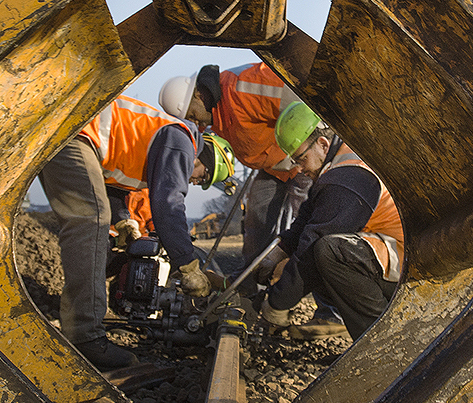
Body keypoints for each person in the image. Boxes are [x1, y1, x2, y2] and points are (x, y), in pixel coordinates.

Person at [39, 95, 235, 370]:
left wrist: (122, 222)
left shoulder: (158, 146)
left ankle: (83, 322)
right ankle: (85, 338)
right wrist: (187, 265)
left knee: (95, 222)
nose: (195, 181)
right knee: (90, 222)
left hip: (71, 129)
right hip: (76, 131)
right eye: (202, 176)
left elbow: (115, 187)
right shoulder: (181, 141)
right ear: (201, 156)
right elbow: (168, 203)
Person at [160, 63, 346, 338]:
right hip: (274, 169)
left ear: (199, 95)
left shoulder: (241, 86)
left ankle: (330, 312)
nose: (196, 123)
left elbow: (301, 102)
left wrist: (316, 153)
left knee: (311, 233)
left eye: (192, 115)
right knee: (256, 228)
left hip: (306, 160)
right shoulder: (216, 117)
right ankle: (249, 298)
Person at [254, 102, 404, 340]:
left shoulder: (346, 178)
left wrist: (277, 304)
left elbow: (313, 247)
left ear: (322, 144)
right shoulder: (336, 168)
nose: (299, 169)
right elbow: (306, 224)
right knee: (324, 255)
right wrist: (278, 252)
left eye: (301, 159)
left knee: (329, 252)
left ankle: (380, 340)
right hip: (386, 258)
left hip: (403, 265)